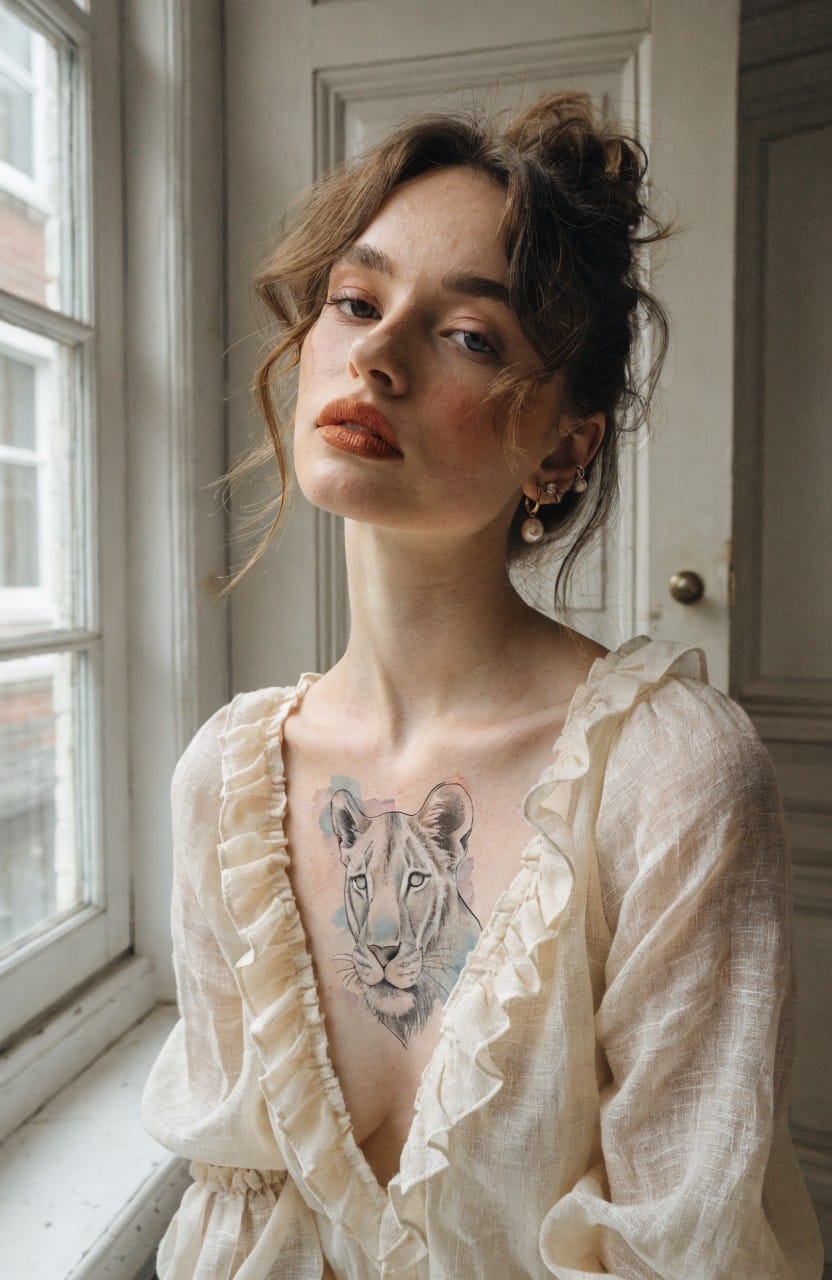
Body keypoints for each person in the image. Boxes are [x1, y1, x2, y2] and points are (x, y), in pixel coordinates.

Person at [142, 93, 824, 1278]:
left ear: (564, 447)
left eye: (468, 334)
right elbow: (238, 1223)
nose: (376, 353)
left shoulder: (667, 777)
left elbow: (692, 1245)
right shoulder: (228, 780)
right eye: (356, 301)